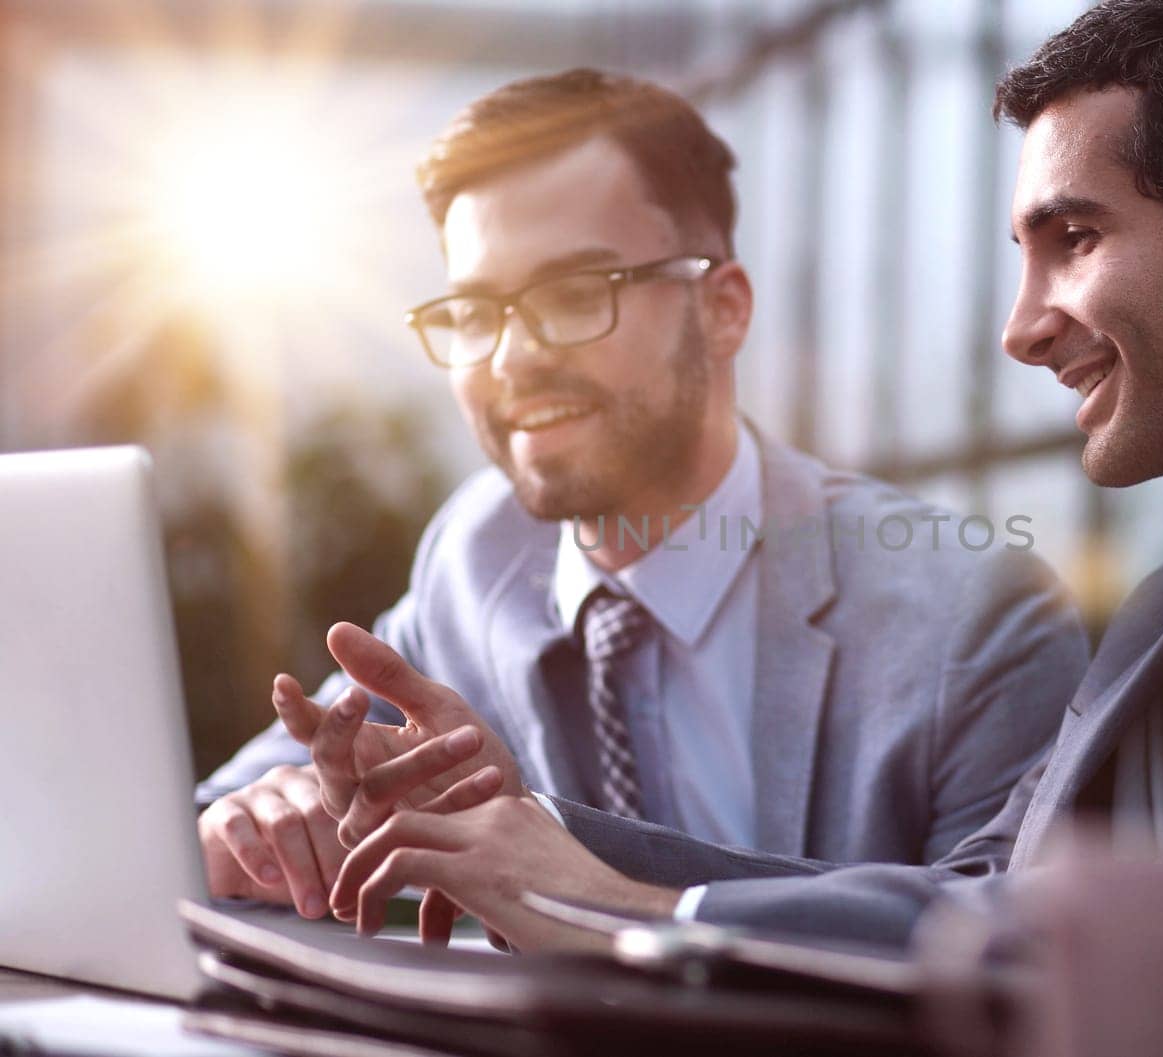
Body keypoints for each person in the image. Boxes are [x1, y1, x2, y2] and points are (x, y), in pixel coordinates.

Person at [291, 0, 1163, 950]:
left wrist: (639, 915)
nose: (1022, 328)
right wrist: (533, 835)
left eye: (1074, 240)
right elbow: (978, 903)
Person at [195, 70, 1089, 925]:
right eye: (475, 313)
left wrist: (567, 859)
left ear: (724, 310)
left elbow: (1001, 943)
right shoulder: (474, 553)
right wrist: (278, 803)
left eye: (577, 293)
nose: (511, 361)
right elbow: (266, 783)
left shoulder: (972, 612)